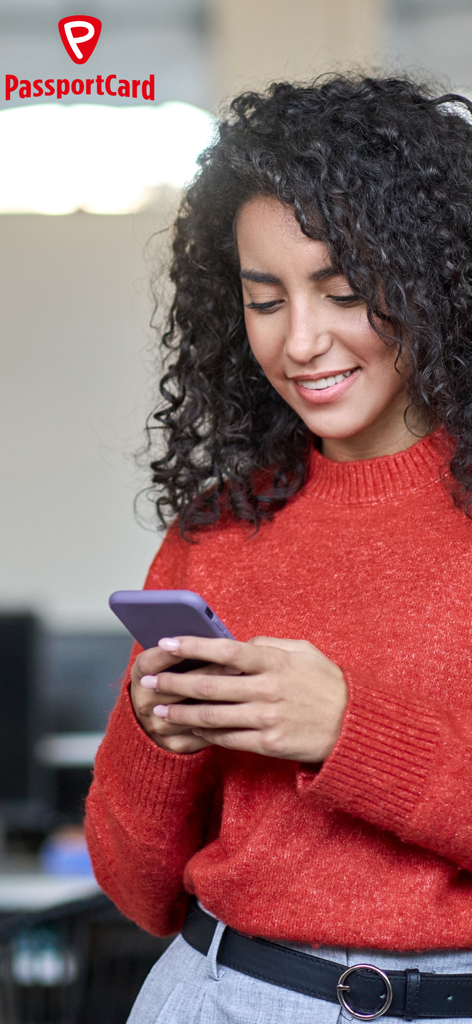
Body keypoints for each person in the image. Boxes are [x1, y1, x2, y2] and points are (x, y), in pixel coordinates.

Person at [85, 75, 472, 1024]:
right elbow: (135, 888)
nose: (302, 341)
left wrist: (349, 732)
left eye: (343, 292)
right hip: (219, 994)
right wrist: (155, 740)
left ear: (432, 277)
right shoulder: (220, 527)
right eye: (266, 301)